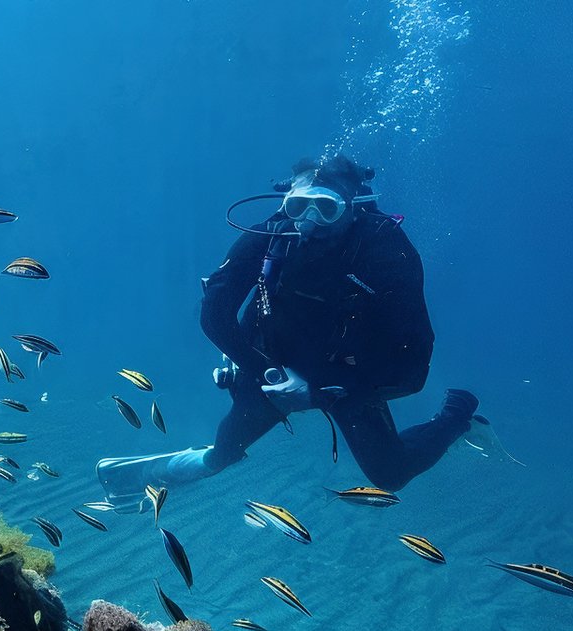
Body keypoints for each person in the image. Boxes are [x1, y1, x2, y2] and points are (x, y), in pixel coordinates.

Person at [97, 154, 481, 499]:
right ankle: (199, 463)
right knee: (225, 450)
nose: (309, 223)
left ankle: (458, 415)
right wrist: (263, 368)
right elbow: (214, 311)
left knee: (391, 474)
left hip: (349, 373)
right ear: (286, 202)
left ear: (353, 207)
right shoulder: (273, 233)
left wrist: (322, 393)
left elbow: (413, 368)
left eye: (326, 209)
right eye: (298, 206)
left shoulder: (386, 250)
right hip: (269, 361)